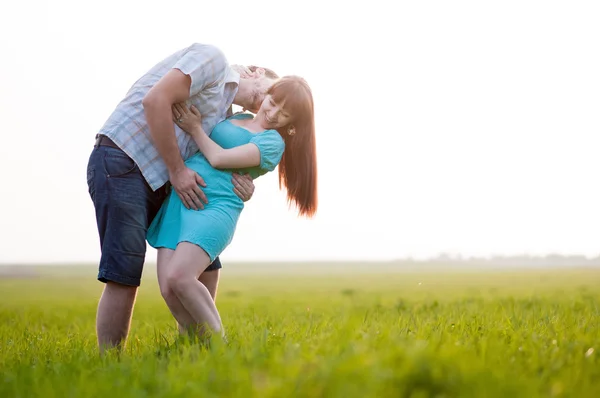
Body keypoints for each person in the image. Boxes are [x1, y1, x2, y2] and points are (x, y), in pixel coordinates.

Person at [86, 42, 280, 353]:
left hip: (165, 179)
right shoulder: (214, 61)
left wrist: (248, 186)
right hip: (124, 159)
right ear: (255, 72)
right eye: (271, 91)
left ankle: (194, 352)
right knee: (124, 270)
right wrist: (177, 171)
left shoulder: (226, 117)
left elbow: (217, 159)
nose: (265, 105)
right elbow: (155, 100)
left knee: (208, 264)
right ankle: (110, 366)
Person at [146, 76, 318, 340]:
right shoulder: (237, 117)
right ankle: (198, 351)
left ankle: (220, 347)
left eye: (284, 115)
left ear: (292, 124)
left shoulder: (273, 142)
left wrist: (195, 129)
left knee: (180, 277)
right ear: (267, 94)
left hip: (215, 206)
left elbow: (218, 158)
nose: (272, 114)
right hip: (181, 200)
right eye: (272, 103)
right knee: (168, 289)